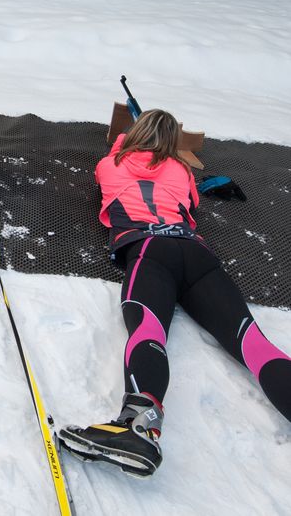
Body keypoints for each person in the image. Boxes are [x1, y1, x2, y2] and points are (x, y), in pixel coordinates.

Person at [58, 109, 291, 476]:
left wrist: (128, 140)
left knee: (148, 330)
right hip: (196, 253)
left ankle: (138, 426)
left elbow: (117, 162)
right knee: (253, 343)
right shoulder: (181, 171)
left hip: (149, 250)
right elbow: (191, 203)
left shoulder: (110, 164)